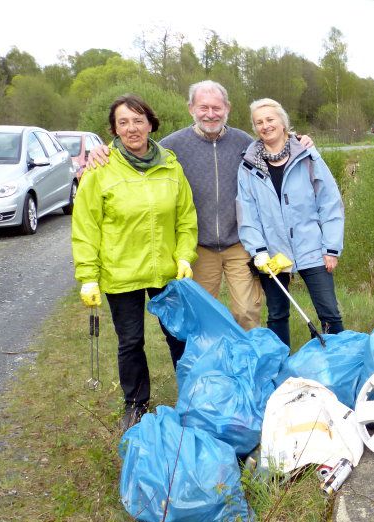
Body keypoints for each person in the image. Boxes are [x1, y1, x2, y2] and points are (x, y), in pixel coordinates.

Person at [87, 80, 313, 331]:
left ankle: (251, 364)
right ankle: (211, 366)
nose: (210, 114)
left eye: (216, 108)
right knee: (203, 315)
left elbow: (275, 146)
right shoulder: (171, 146)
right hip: (199, 247)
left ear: (227, 108)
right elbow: (136, 152)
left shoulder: (244, 143)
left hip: (239, 243)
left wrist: (298, 139)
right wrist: (103, 151)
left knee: (247, 310)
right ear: (191, 108)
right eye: (203, 107)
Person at [72, 94, 199, 433]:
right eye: (123, 122)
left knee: (179, 336)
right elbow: (86, 226)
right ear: (114, 129)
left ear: (150, 124)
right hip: (121, 271)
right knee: (130, 342)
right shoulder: (100, 169)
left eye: (138, 120)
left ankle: (192, 395)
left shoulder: (171, 165)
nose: (132, 128)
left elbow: (186, 218)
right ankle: (136, 402)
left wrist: (185, 255)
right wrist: (88, 276)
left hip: (165, 271)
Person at [236, 98, 345, 348]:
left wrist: (331, 248)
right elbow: (246, 212)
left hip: (313, 248)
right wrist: (258, 251)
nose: (265, 126)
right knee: (276, 315)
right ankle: (281, 369)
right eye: (259, 122)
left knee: (329, 313)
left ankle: (339, 364)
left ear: (283, 122)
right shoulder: (248, 165)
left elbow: (329, 202)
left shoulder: (307, 155)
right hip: (273, 253)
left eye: (270, 119)